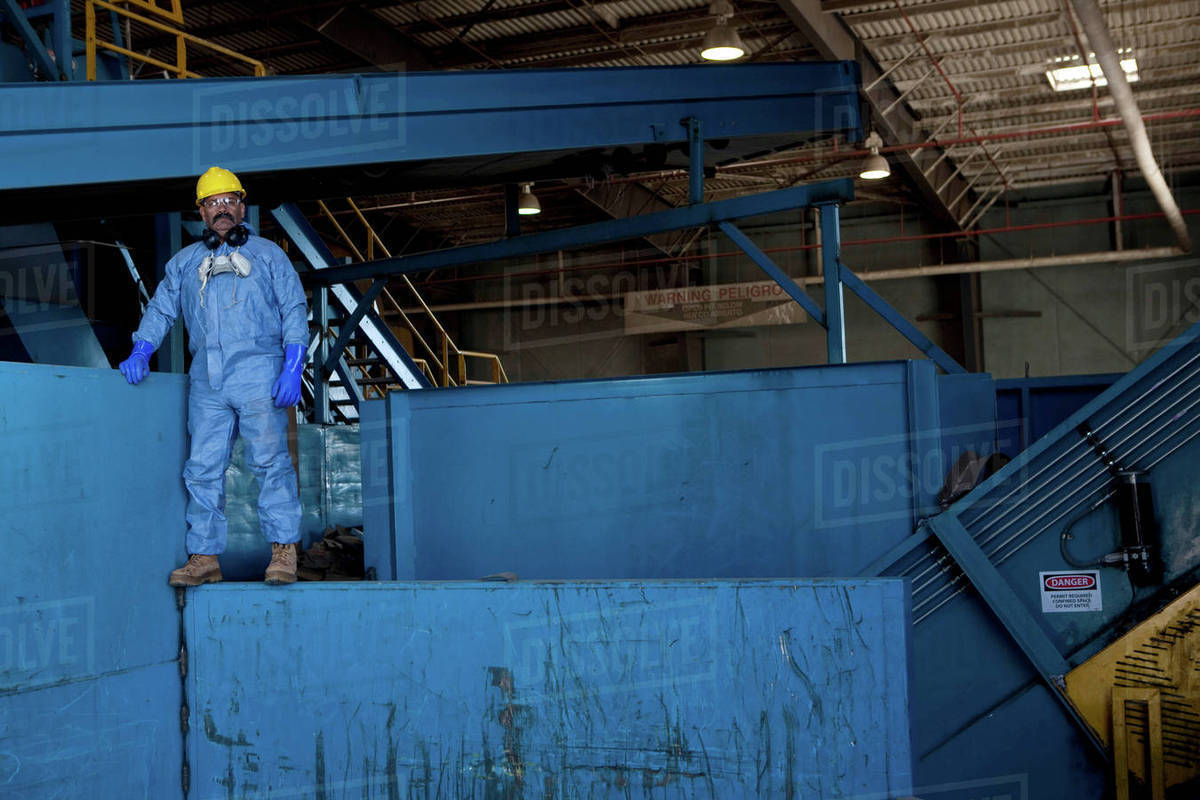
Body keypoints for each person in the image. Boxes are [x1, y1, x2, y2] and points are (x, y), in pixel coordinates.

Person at [118, 167, 309, 587]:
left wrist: (293, 366)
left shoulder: (268, 256)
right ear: (201, 213)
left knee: (270, 463)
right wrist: (141, 348)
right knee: (201, 468)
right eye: (212, 202)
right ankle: (204, 556)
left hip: (259, 371)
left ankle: (283, 552)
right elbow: (162, 309)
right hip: (207, 378)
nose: (221, 209)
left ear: (242, 206)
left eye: (228, 201)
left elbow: (294, 309)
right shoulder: (185, 263)